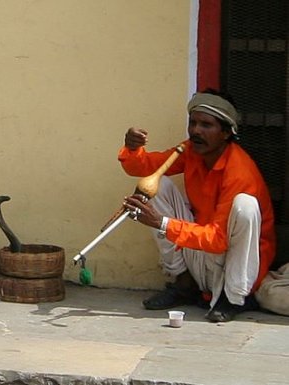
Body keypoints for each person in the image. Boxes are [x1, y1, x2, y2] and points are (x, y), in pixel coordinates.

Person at [118, 89, 276, 322]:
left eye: (206, 125)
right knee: (156, 184)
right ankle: (184, 283)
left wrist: (160, 222)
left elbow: (219, 239)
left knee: (245, 205)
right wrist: (132, 149)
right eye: (193, 123)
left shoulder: (240, 172)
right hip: (203, 251)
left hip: (232, 262)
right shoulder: (190, 150)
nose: (195, 131)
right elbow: (143, 167)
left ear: (225, 132)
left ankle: (234, 298)